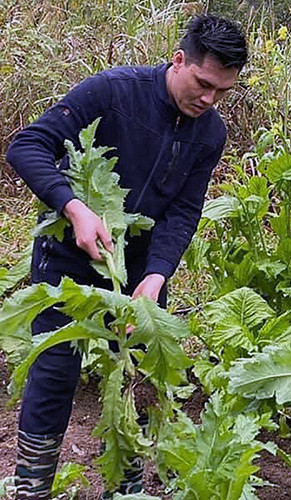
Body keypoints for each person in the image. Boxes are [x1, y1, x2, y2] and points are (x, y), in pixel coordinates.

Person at [6, 15, 247, 499]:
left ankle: (128, 485)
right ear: (178, 60)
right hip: (69, 258)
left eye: (222, 92)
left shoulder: (210, 133)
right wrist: (74, 209)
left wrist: (157, 276)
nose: (209, 100)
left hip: (136, 274)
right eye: (203, 84)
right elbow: (27, 145)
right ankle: (31, 487)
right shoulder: (112, 92)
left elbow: (183, 212)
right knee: (55, 372)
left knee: (134, 373)